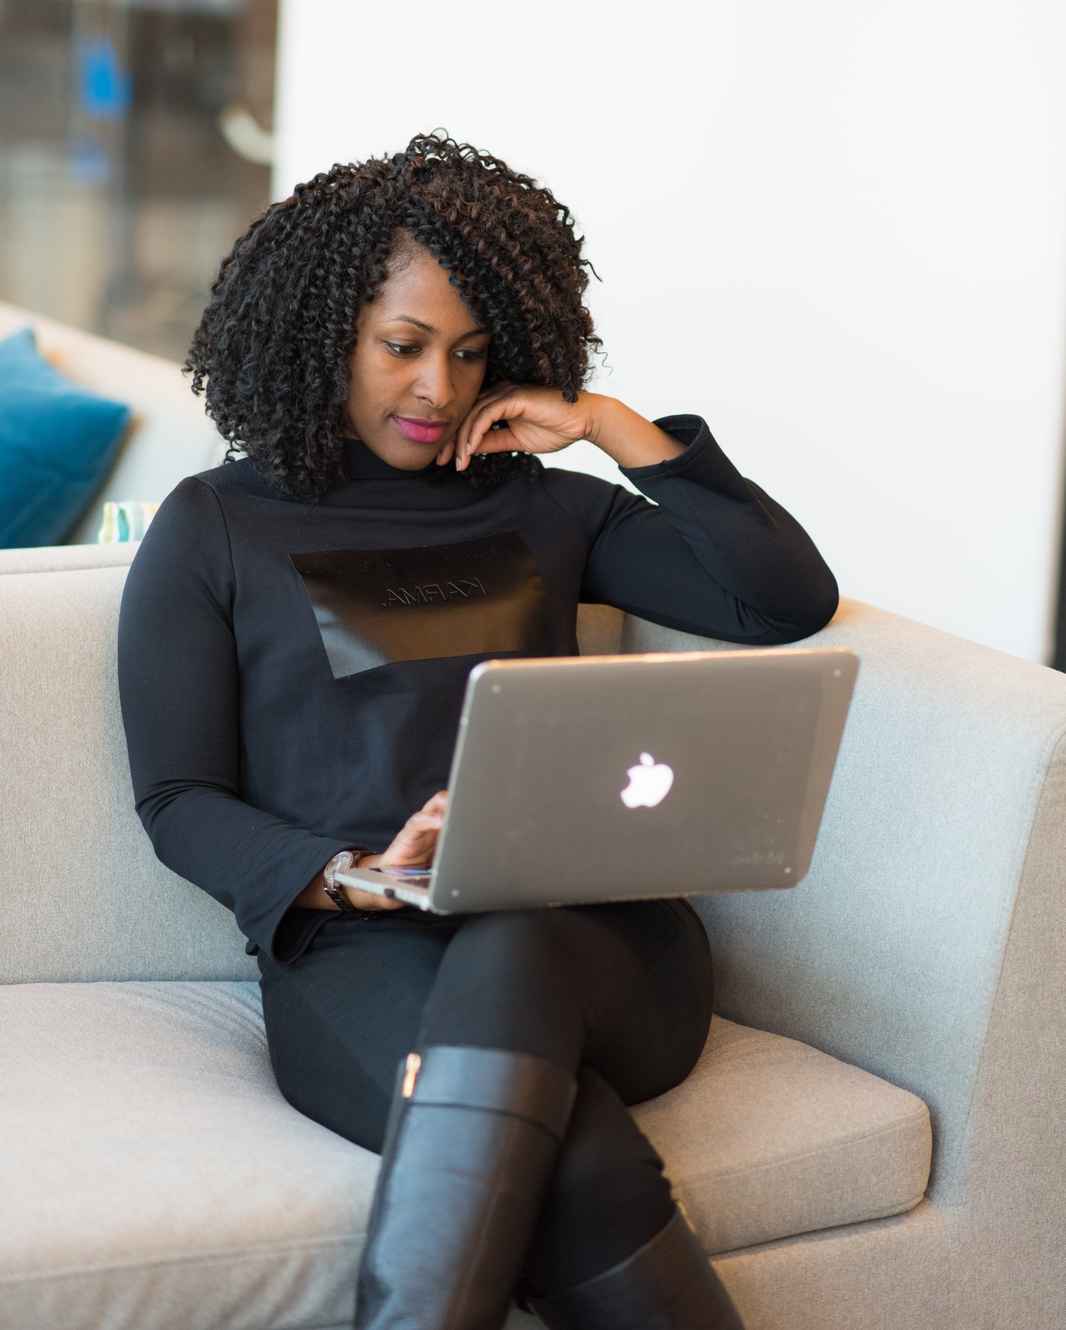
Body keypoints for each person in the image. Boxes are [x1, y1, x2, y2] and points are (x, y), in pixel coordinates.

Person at [117, 128, 839, 1329]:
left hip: (601, 944)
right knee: (574, 1155)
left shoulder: (545, 507)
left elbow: (781, 599)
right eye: (402, 347)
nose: (438, 390)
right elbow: (178, 800)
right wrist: (353, 880)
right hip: (362, 954)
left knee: (512, 946)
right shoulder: (215, 532)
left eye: (470, 352)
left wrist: (611, 427)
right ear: (323, 332)